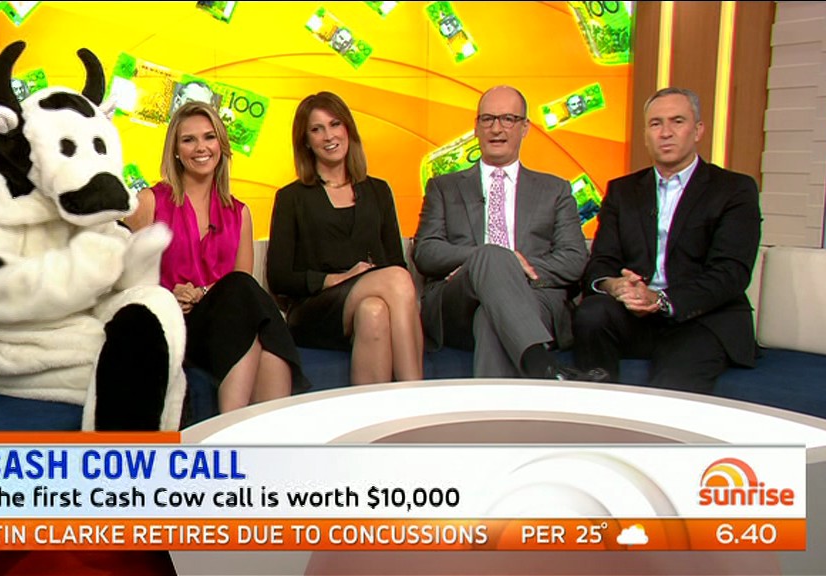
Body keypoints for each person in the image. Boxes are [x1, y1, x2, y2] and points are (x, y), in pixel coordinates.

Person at [572, 87, 762, 393]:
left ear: (698, 130)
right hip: (634, 316)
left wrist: (660, 300)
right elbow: (601, 261)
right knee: (592, 314)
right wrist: (615, 286)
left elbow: (731, 272)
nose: (665, 133)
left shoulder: (734, 189)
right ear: (646, 135)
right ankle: (595, 409)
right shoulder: (623, 191)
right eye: (655, 124)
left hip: (701, 318)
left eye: (677, 121)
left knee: (671, 384)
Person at [125, 101, 307, 412]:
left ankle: (259, 431)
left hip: (223, 326)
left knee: (246, 302)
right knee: (250, 310)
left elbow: (242, 290)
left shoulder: (240, 213)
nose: (201, 148)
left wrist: (203, 293)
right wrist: (168, 296)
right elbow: (125, 282)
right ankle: (240, 426)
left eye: (209, 137)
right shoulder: (149, 202)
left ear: (221, 145)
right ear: (176, 151)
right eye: (189, 140)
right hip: (171, 326)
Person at [413, 85, 601, 380]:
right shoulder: (443, 187)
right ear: (476, 127)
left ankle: (533, 377)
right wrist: (486, 260)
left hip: (533, 298)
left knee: (490, 317)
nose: (496, 128)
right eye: (487, 119)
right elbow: (425, 251)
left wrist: (510, 271)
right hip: (458, 303)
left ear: (525, 127)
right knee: (491, 256)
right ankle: (544, 366)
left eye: (508, 119)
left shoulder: (555, 190)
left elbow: (574, 258)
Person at [267, 91, 423, 386]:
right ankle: (415, 391)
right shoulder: (291, 197)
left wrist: (368, 282)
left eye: (335, 124)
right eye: (317, 129)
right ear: (306, 141)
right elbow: (279, 277)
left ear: (348, 128)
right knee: (399, 279)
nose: (329, 136)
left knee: (374, 311)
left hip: (368, 302)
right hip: (315, 311)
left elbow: (394, 260)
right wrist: (336, 279)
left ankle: (373, 412)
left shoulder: (378, 191)